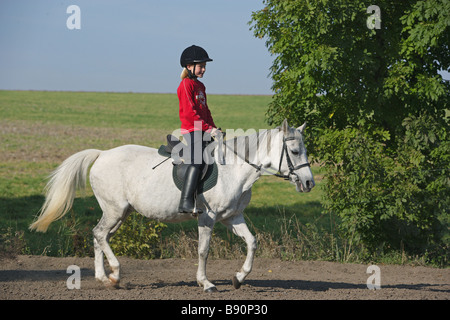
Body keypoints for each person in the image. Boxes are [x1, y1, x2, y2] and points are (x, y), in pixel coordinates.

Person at [177, 45, 220, 214]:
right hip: (191, 129)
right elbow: (190, 113)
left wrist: (214, 128)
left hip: (202, 129)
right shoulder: (185, 85)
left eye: (204, 67)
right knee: (197, 161)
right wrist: (208, 128)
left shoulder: (200, 86)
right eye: (201, 66)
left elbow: (205, 111)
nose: (203, 69)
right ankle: (185, 202)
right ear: (189, 66)